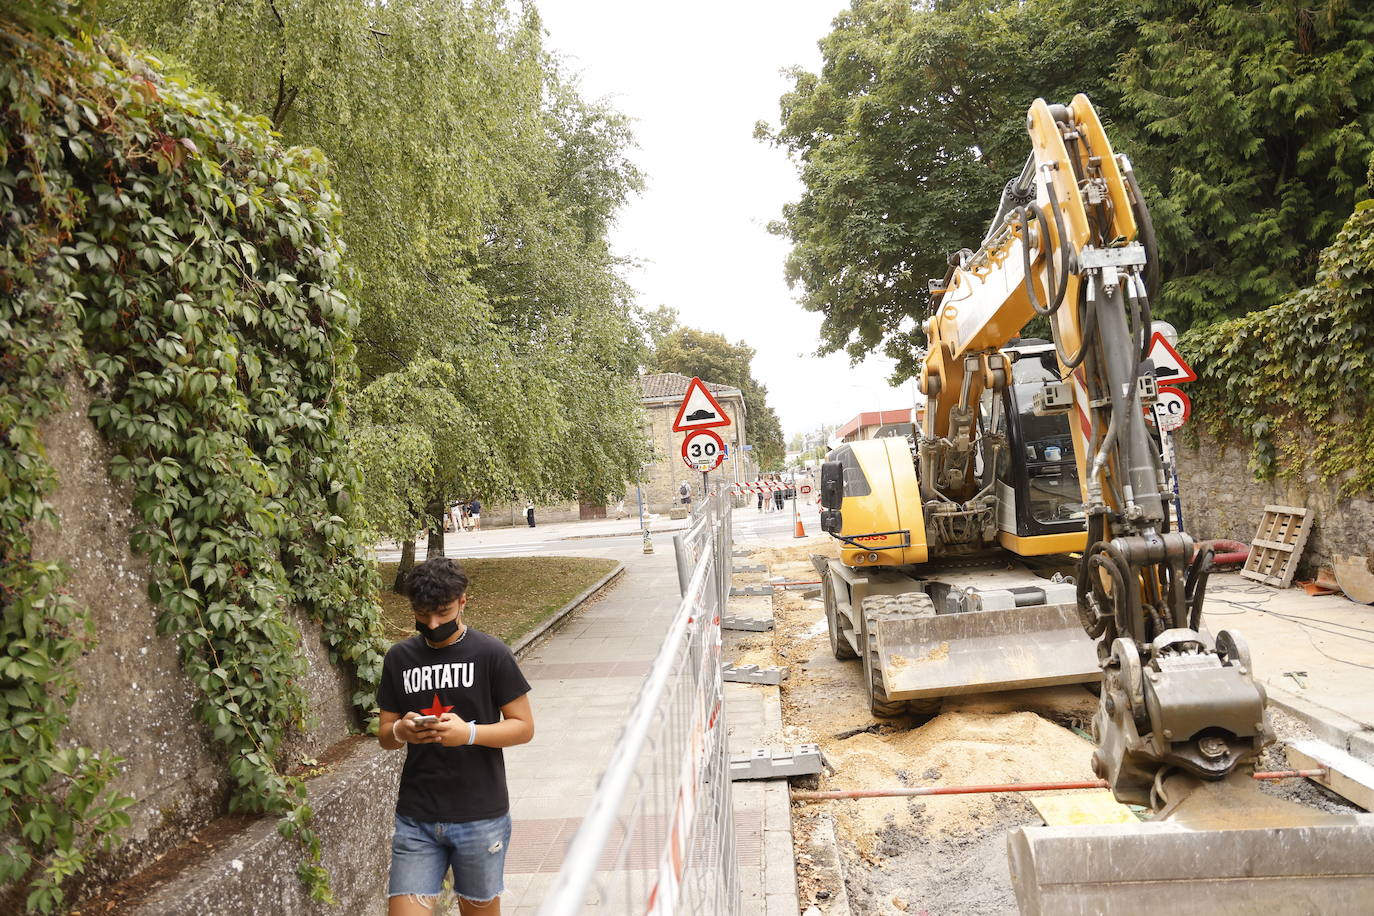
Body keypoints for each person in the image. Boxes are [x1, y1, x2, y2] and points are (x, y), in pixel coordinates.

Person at [377, 558, 534, 916]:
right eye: (422, 613)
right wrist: (402, 729)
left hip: (480, 816)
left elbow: (523, 726)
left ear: (463, 601)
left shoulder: (491, 654)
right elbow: (385, 735)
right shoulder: (399, 658)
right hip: (416, 817)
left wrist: (469, 733)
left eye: (443, 612)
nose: (432, 623)